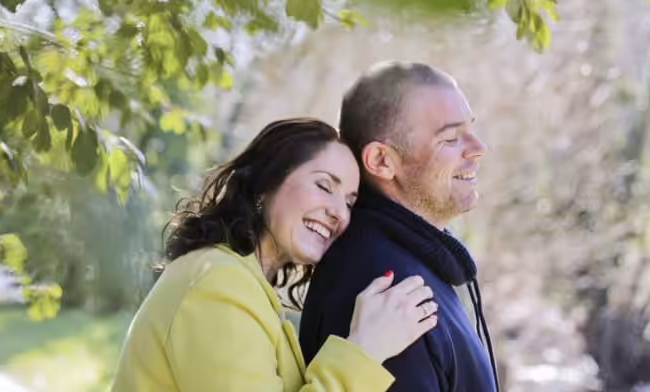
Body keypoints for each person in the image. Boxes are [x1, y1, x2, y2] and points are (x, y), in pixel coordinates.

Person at [110, 118, 440, 392]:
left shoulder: (243, 286)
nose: (339, 212)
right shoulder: (217, 284)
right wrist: (367, 349)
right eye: (325, 186)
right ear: (266, 184)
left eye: (350, 202)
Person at [299, 62, 500, 392]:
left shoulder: (416, 263)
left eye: (470, 129)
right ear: (381, 161)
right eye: (451, 138)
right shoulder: (384, 292)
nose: (478, 148)